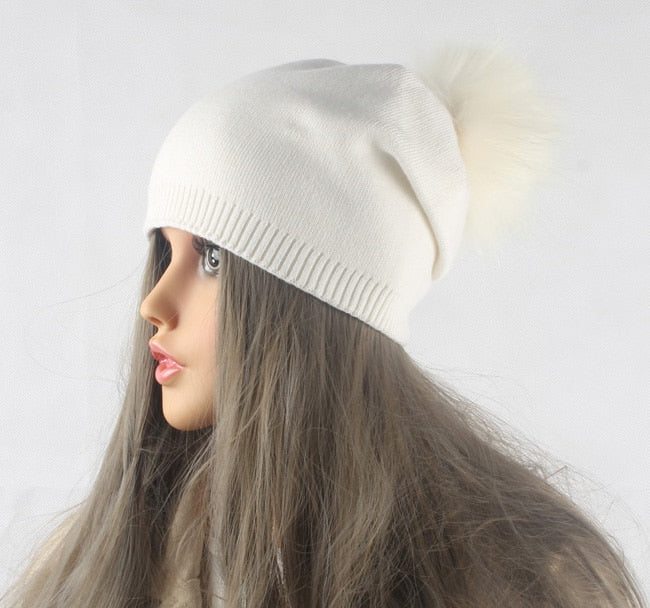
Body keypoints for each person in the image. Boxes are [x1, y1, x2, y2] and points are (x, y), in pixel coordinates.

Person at [2, 47, 644, 608]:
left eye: (214, 258)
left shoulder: (516, 579)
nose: (155, 302)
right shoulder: (96, 567)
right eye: (165, 254)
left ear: (316, 301)